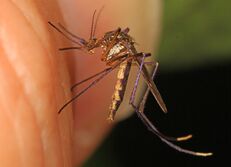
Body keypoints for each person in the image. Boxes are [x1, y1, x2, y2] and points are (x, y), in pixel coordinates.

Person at [0, 0, 161, 166]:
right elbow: (89, 46)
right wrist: (61, 30)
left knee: (127, 67)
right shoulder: (104, 40)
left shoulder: (111, 42)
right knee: (107, 68)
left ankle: (139, 109)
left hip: (125, 58)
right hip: (119, 54)